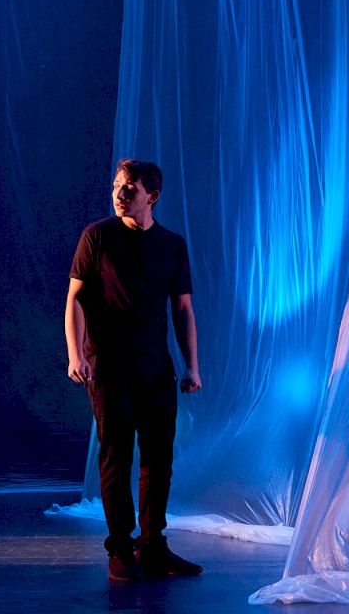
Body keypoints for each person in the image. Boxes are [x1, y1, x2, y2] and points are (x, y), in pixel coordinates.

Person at [65, 159, 204, 582]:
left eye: (129, 189)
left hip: (155, 367)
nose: (120, 195)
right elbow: (75, 299)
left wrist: (192, 366)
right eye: (117, 187)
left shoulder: (171, 244)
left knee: (158, 458)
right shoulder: (97, 236)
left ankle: (153, 546)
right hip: (109, 367)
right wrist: (75, 354)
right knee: (116, 455)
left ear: (152, 196)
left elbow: (183, 309)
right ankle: (120, 549)